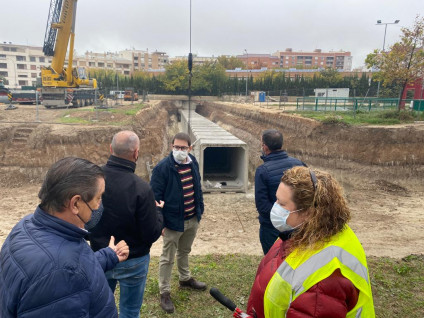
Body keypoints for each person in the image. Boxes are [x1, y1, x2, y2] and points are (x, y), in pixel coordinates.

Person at [0, 157, 129, 317]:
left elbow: (70, 267)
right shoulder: (60, 271)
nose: (99, 205)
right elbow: (63, 272)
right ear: (75, 204)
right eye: (98, 198)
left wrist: (107, 256)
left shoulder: (26, 225)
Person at [244, 166, 375, 317]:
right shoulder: (303, 232)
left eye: (281, 204)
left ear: (308, 213)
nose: (275, 208)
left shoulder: (321, 286)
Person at [89, 130, 164, 318]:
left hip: (100, 256)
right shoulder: (141, 188)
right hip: (134, 261)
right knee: (130, 311)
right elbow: (150, 234)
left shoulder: (92, 179)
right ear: (136, 153)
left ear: (110, 148)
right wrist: (158, 212)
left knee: (98, 310)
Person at [150, 132, 206, 314]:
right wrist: (161, 224)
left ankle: (185, 278)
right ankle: (164, 292)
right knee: (167, 257)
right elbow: (155, 198)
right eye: (176, 147)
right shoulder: (162, 168)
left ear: (190, 148)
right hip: (173, 222)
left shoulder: (193, 162)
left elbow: (198, 187)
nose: (179, 151)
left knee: (185, 250)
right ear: (172, 147)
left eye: (183, 148)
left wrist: (200, 210)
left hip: (192, 218)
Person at [255, 129, 306, 255]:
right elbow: (307, 196)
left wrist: (280, 218)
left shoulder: (263, 171)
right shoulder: (299, 165)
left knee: (273, 261)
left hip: (271, 229)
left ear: (265, 147)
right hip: (297, 225)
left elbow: (262, 205)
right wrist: (292, 218)